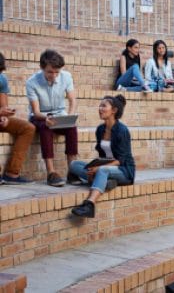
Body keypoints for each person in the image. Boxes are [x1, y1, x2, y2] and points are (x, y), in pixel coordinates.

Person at [70, 94, 135, 218]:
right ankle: (104, 180)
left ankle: (89, 205)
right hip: (106, 167)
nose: (100, 108)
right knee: (74, 164)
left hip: (124, 170)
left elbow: (120, 161)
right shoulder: (100, 129)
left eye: (104, 106)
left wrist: (98, 169)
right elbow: (101, 156)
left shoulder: (122, 130)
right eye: (100, 105)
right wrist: (92, 170)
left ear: (114, 111)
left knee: (103, 171)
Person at [26, 49, 78, 187]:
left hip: (60, 114)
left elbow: (72, 100)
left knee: (72, 128)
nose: (54, 76)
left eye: (57, 72)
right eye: (50, 72)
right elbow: (36, 111)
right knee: (46, 127)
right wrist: (46, 118)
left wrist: (70, 115)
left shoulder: (66, 76)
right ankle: (51, 173)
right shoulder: (31, 82)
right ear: (42, 68)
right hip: (40, 116)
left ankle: (72, 171)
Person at [0, 53, 36, 185]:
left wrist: (4, 115)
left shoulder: (2, 79)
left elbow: (3, 105)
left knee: (28, 128)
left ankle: (12, 173)